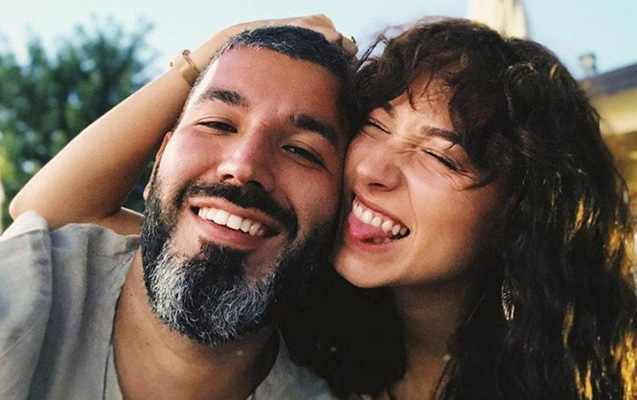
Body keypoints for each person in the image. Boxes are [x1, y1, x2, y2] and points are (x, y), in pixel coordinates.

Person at [8, 15, 637, 400]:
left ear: (521, 216)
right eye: (375, 126)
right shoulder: (293, 298)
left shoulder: (576, 375)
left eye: (440, 156)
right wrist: (222, 49)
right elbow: (47, 213)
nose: (372, 169)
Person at [1, 16, 358, 400]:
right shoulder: (24, 290)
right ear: (158, 161)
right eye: (218, 124)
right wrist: (211, 50)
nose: (243, 166)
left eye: (301, 151)